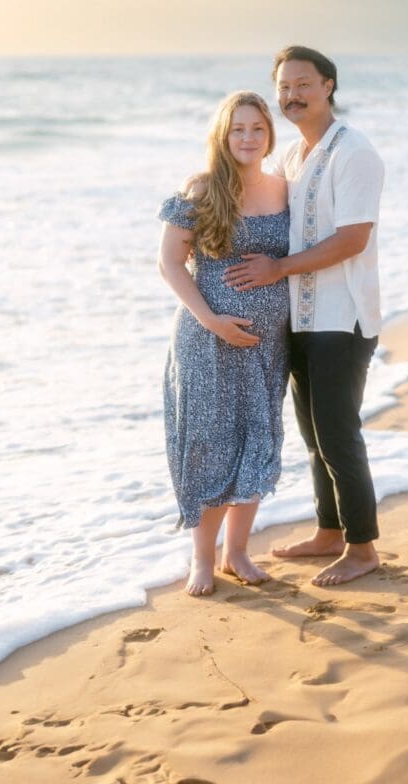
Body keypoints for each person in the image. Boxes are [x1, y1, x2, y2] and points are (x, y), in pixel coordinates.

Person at [223, 46, 385, 587]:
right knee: (313, 436)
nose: (292, 95)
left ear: (328, 86)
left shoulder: (353, 151)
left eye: (303, 84)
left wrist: (277, 269)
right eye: (284, 87)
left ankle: (363, 549)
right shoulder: (292, 158)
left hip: (344, 318)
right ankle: (329, 532)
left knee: (339, 434)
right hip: (302, 319)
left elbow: (352, 239)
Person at [157, 91, 289, 597]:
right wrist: (213, 320)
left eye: (257, 128)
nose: (249, 138)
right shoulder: (201, 189)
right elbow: (170, 262)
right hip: (206, 341)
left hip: (265, 346)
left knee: (257, 442)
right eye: (238, 129)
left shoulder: (284, 190)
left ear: (269, 135)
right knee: (209, 446)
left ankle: (237, 553)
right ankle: (202, 559)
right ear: (223, 135)